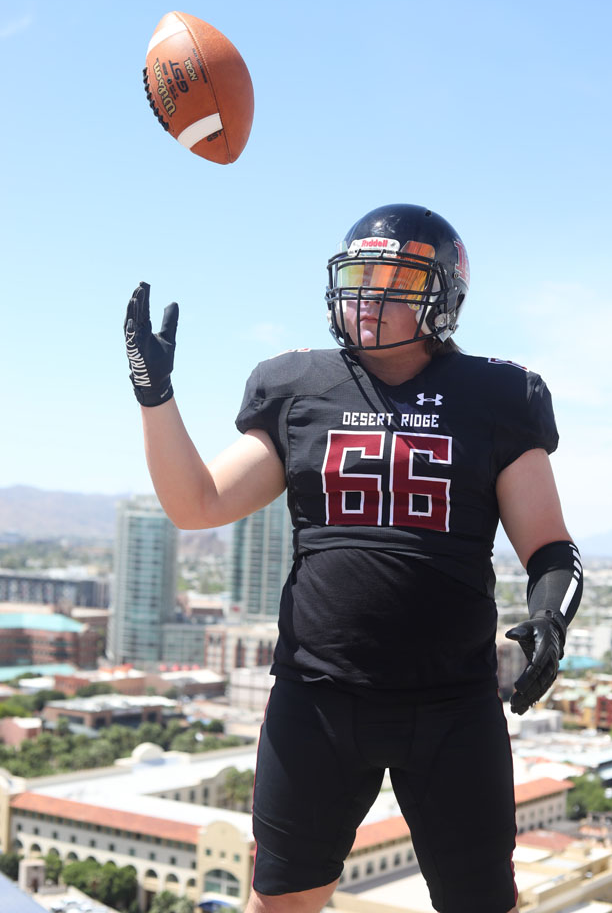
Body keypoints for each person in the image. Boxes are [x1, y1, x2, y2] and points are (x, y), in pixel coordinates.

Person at [124, 203, 582, 913]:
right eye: (359, 276)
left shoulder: (498, 395)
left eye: (393, 278)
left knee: (482, 904)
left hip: (452, 704)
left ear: (444, 296)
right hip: (316, 699)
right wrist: (156, 397)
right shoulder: (297, 386)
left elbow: (549, 547)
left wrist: (549, 618)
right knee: (281, 903)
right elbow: (198, 504)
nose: (369, 294)